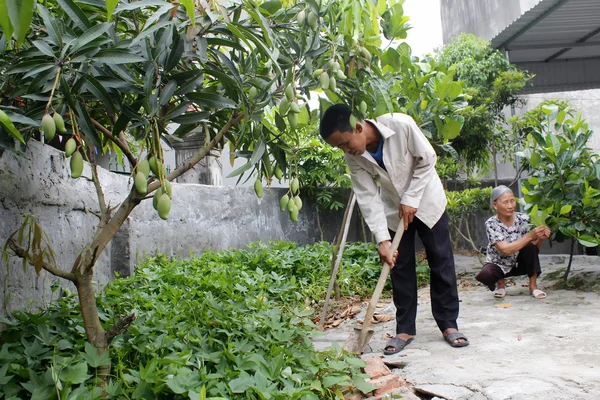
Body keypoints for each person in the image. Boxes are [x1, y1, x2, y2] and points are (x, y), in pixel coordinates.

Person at [319, 104, 468, 355]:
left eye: (344, 143)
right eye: (339, 148)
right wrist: (382, 239)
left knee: (441, 261)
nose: (345, 150)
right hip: (395, 210)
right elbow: (367, 196)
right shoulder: (353, 157)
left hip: (428, 201)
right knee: (400, 268)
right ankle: (405, 329)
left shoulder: (400, 125)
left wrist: (411, 198)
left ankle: (448, 324)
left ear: (357, 128)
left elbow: (427, 159)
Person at [475, 185, 551, 299]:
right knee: (485, 275)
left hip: (519, 262)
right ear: (495, 205)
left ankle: (533, 286)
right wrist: (530, 236)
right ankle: (500, 285)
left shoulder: (524, 219)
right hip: (499, 263)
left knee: (530, 247)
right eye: (505, 202)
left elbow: (534, 248)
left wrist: (540, 238)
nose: (510, 206)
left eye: (512, 201)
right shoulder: (491, 223)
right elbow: (505, 250)